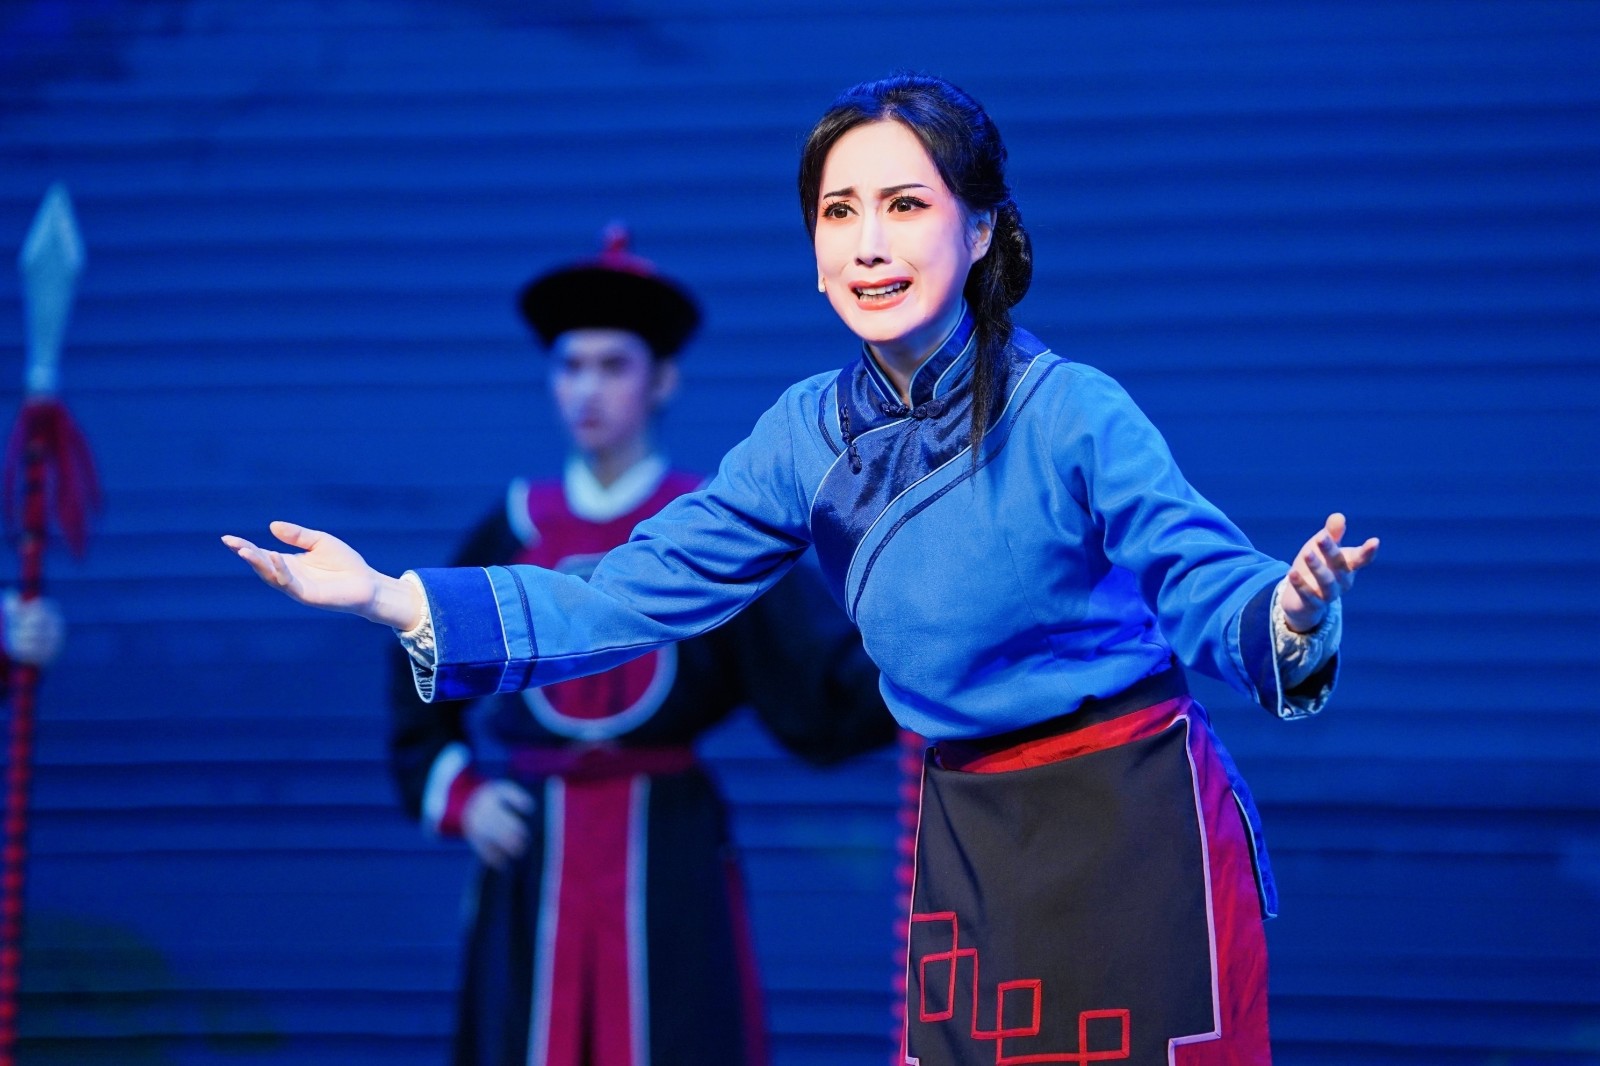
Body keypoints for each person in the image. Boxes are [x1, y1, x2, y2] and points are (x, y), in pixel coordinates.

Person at [225, 74, 1380, 1066]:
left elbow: (1197, 571)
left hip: (1123, 820)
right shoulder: (802, 437)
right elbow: (627, 590)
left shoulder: (1070, 410)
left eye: (905, 204)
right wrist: (389, 596)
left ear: (981, 229)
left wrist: (1284, 609)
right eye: (839, 210)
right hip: (970, 833)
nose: (867, 241)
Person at [384, 227, 895, 1066]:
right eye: (570, 366)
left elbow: (815, 679)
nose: (587, 388)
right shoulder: (513, 529)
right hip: (535, 849)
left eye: (613, 366)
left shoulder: (715, 527)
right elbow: (418, 659)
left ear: (662, 380)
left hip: (665, 848)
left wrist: (934, 647)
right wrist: (462, 795)